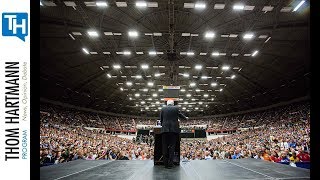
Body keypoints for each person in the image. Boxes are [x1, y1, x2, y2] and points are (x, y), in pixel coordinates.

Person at [160, 99, 188, 168]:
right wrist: (186, 118)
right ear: (173, 104)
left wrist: (164, 124)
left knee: (164, 146)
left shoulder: (163, 108)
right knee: (172, 147)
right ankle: (170, 164)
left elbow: (161, 119)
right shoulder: (176, 108)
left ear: (167, 103)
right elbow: (181, 115)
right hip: (173, 130)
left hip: (165, 130)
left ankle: (165, 164)